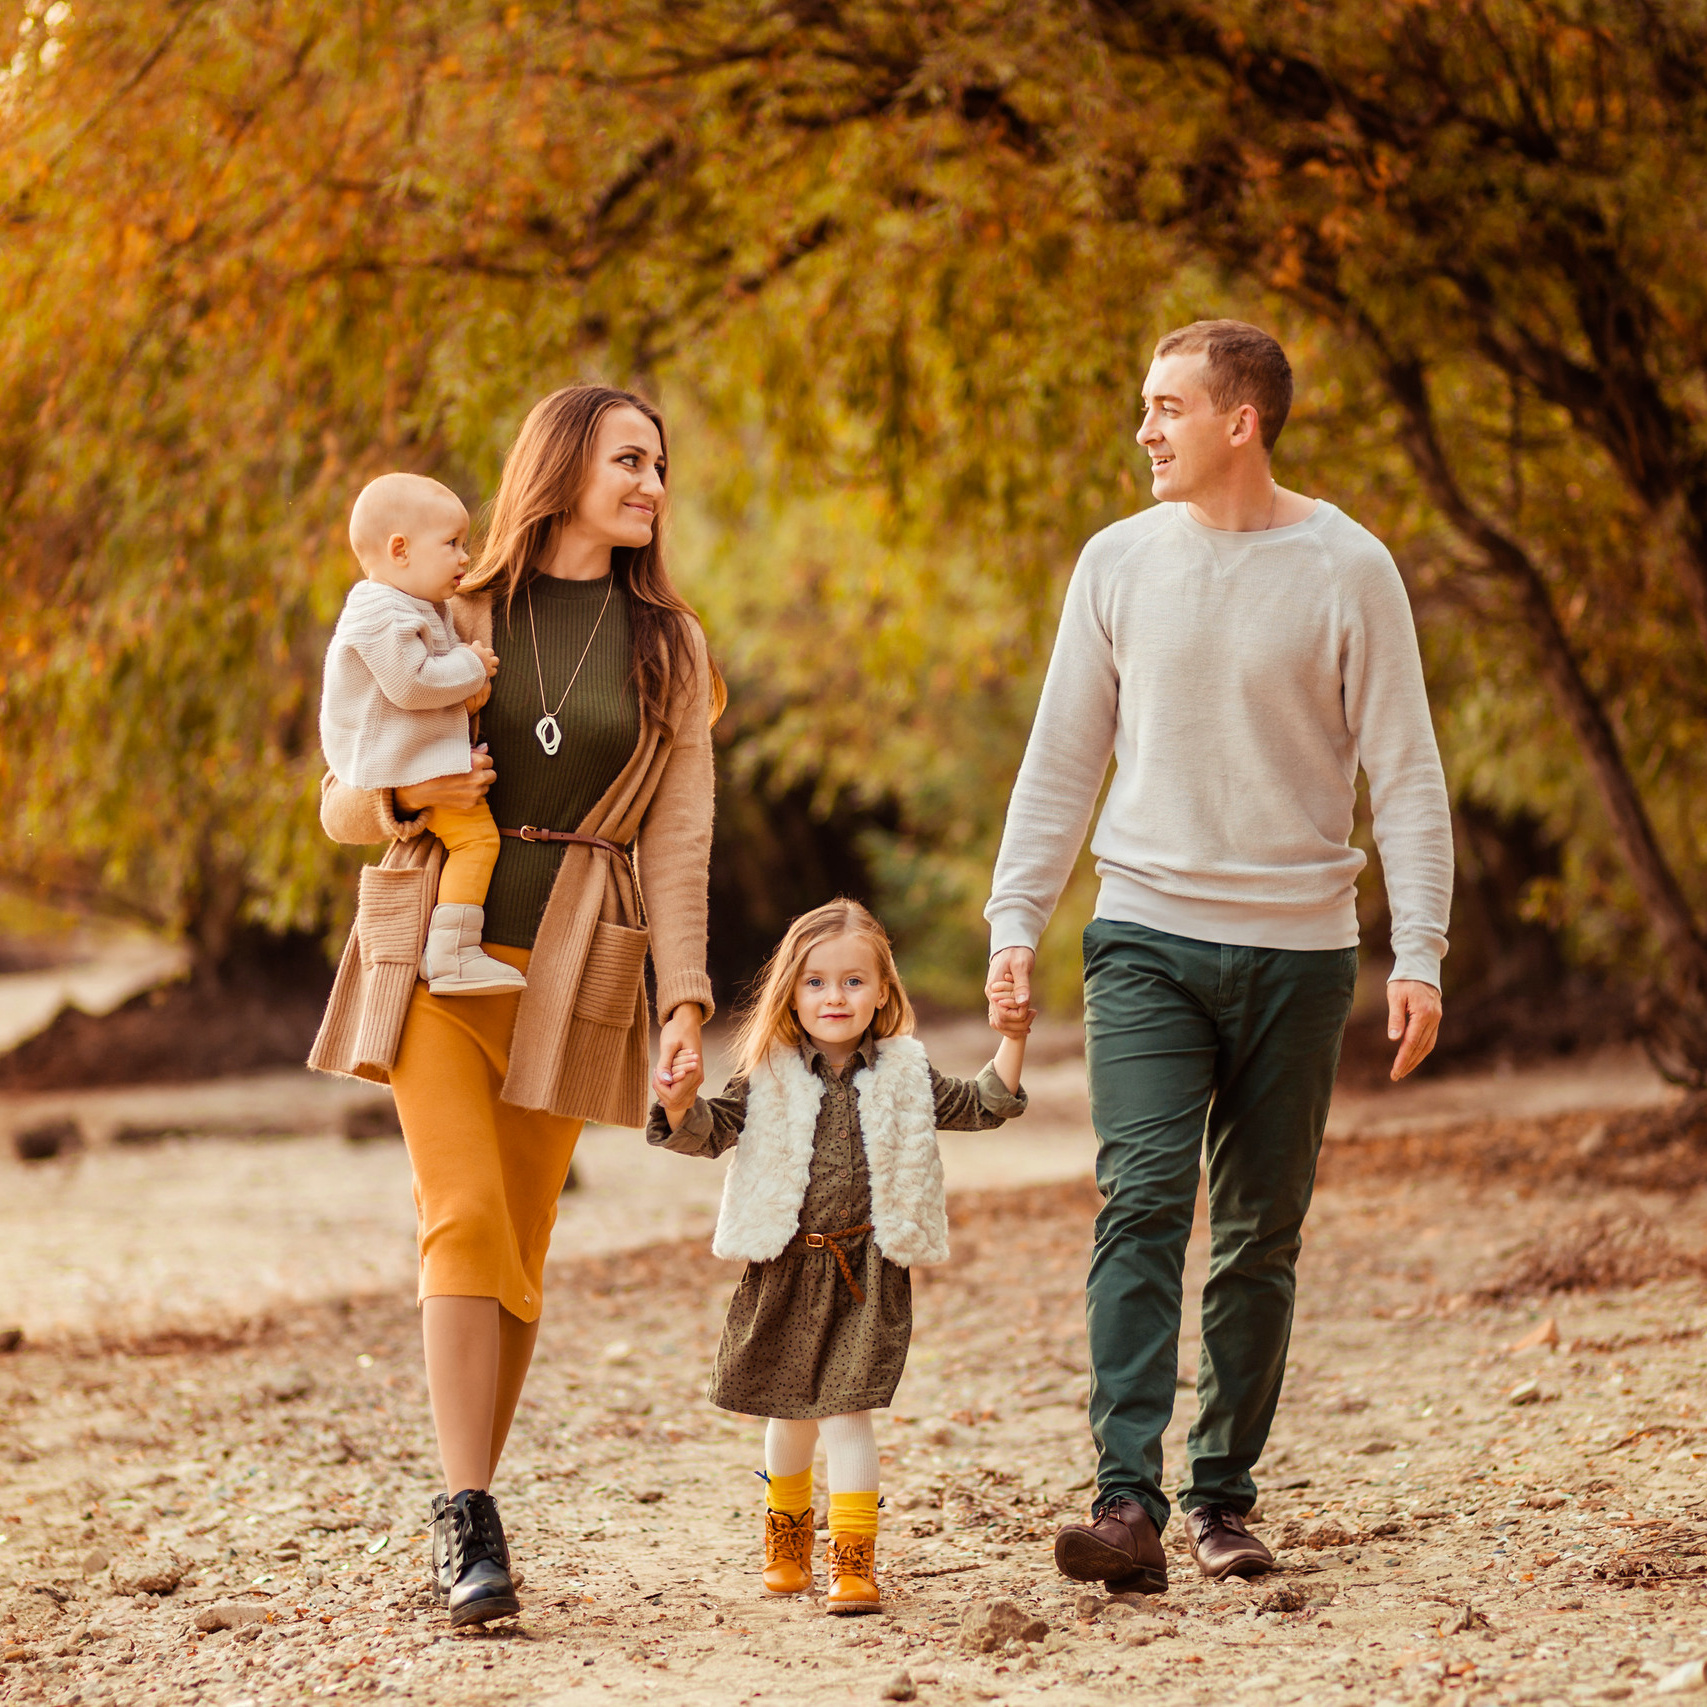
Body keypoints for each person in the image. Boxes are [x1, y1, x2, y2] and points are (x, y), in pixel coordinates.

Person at [984, 320, 1453, 1592]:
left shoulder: (1349, 567)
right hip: (1145, 935)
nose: (1145, 428)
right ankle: (1124, 1503)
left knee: (1259, 1232)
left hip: (1300, 953)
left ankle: (1222, 1499)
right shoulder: (1117, 562)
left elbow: (1405, 772)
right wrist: (1013, 920)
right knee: (1140, 1198)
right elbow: (1064, 756)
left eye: (1166, 406)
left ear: (1239, 421)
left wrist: (1422, 950)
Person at [310, 385, 722, 1628]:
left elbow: (683, 836)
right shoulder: (453, 604)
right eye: (629, 459)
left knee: (525, 1254)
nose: (651, 483)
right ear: (562, 468)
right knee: (466, 1216)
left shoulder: (670, 645)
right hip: (438, 953)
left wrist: (687, 999)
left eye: (660, 464)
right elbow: (339, 784)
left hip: (578, 963)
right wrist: (391, 808)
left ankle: (467, 1509)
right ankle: (470, 1514)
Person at [648, 899, 1032, 1615]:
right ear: (791, 992)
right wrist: (676, 1102)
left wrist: (1011, 1037)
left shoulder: (905, 1073)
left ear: (883, 990)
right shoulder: (766, 1073)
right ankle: (785, 1539)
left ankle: (852, 1561)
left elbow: (983, 1102)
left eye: (853, 981)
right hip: (785, 1269)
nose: (835, 997)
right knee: (789, 1417)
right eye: (817, 982)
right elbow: (707, 1131)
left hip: (866, 1275)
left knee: (847, 1414)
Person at [319, 472, 523, 996]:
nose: (464, 557)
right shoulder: (380, 610)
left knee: (475, 840)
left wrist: (465, 689)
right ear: (400, 550)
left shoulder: (412, 604)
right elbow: (412, 683)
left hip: (416, 759)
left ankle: (453, 952)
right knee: (477, 841)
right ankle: (453, 954)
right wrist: (471, 666)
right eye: (452, 544)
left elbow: (429, 683)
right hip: (402, 765)